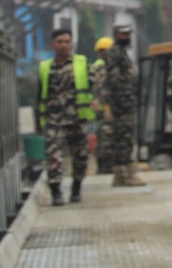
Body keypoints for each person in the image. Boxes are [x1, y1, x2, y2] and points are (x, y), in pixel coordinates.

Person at [37, 27, 94, 205]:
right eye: (59, 42)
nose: (63, 45)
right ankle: (56, 193)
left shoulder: (81, 63)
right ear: (53, 44)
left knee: (81, 156)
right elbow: (40, 95)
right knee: (53, 155)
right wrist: (39, 120)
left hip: (78, 118)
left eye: (67, 41)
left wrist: (97, 101)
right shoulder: (45, 67)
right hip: (55, 119)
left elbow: (95, 84)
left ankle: (76, 188)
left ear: (71, 44)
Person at [103, 24, 146, 187]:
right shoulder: (114, 53)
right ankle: (126, 175)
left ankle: (121, 175)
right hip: (122, 105)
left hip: (125, 103)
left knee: (123, 139)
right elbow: (114, 80)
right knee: (124, 139)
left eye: (128, 34)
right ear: (115, 35)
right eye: (123, 34)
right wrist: (123, 99)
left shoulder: (122, 53)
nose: (126, 37)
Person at [91, 36, 114, 174]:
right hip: (104, 109)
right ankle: (105, 167)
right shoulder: (100, 67)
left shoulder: (97, 67)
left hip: (108, 108)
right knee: (105, 137)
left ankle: (107, 166)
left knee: (107, 137)